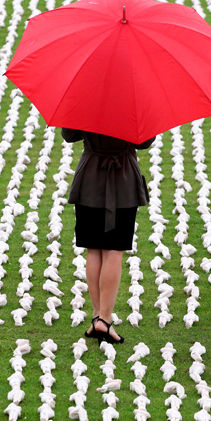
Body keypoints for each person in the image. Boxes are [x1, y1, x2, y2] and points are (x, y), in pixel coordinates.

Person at [61, 128, 155, 345]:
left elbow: (69, 136)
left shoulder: (84, 96)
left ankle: (97, 316)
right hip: (124, 181)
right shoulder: (134, 96)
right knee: (113, 249)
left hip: (90, 180)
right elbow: (145, 141)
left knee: (94, 249)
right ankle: (104, 318)